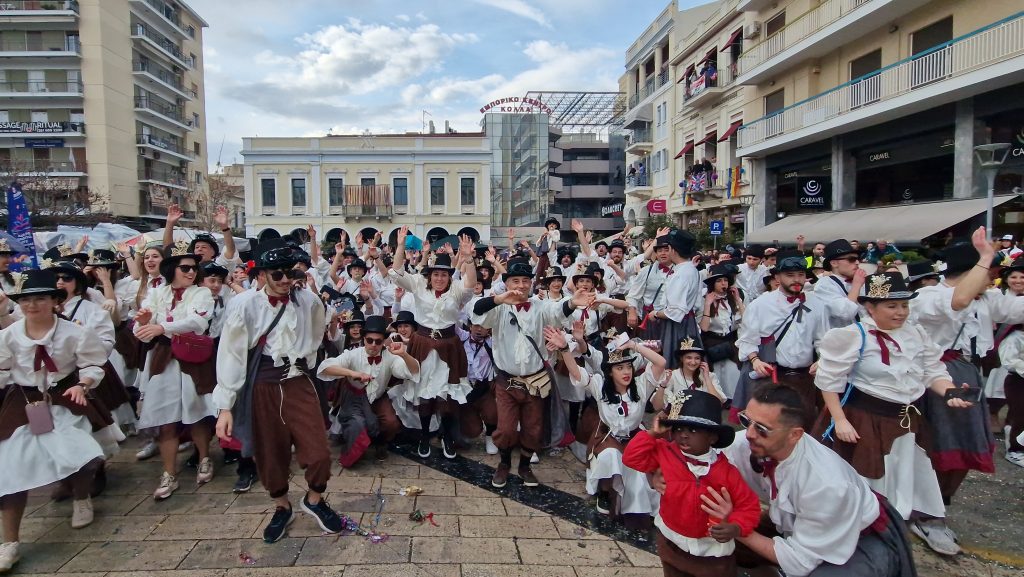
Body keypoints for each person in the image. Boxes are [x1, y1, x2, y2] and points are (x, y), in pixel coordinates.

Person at [813, 272, 974, 546]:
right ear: (870, 307)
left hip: (905, 418)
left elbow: (931, 371)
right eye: (892, 306)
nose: (900, 313)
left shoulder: (916, 333)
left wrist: (950, 391)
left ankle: (906, 521)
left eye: (904, 305)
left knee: (908, 468)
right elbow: (829, 381)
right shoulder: (853, 336)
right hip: (865, 418)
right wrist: (840, 420)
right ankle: (865, 529)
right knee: (869, 476)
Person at [707, 383, 917, 577]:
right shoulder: (745, 444)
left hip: (858, 536)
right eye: (746, 421)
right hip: (799, 519)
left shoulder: (826, 484)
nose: (749, 434)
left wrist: (738, 529)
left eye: (762, 429)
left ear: (794, 435)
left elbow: (800, 561)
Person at [213, 239, 344, 543]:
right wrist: (225, 407)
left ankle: (313, 499)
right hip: (263, 385)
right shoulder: (244, 304)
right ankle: (281, 506)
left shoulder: (309, 301)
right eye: (278, 275)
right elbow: (231, 355)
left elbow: (314, 336)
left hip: (299, 380)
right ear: (263, 275)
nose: (286, 281)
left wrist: (306, 363)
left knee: (319, 451)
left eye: (291, 274)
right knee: (270, 453)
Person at [908, 229, 1024, 554]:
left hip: (969, 374)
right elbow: (956, 301)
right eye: (990, 273)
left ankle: (938, 508)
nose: (994, 280)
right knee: (936, 447)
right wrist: (986, 257)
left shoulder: (986, 299)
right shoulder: (929, 296)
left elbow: (1017, 310)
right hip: (935, 377)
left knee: (967, 447)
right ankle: (926, 515)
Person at [0, 269, 113, 572]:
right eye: (25, 300)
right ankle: (9, 542)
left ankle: (81, 497)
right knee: (10, 469)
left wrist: (83, 383)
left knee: (76, 453)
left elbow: (93, 361)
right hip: (24, 402)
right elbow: (2, 370)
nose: (32, 306)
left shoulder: (74, 332)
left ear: (55, 301)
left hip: (65, 398)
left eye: (39, 299)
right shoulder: (8, 336)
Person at [472, 259, 594, 488]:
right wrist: (500, 299)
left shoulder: (540, 306)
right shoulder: (498, 309)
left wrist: (572, 303)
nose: (520, 285)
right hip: (507, 381)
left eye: (525, 281)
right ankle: (504, 463)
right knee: (506, 428)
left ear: (532, 283)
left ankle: (525, 465)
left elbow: (558, 310)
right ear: (506, 283)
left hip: (536, 380)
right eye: (515, 281)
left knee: (533, 427)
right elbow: (477, 311)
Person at [624, 389, 761, 577]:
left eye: (693, 430)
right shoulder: (665, 452)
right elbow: (631, 458)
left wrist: (735, 527)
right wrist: (652, 434)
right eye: (678, 428)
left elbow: (750, 507)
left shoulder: (727, 472)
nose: (684, 435)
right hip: (671, 543)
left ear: (712, 437)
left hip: (711, 554)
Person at [549, 330, 664, 521]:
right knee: (610, 455)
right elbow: (577, 373)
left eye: (628, 367)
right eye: (619, 368)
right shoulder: (600, 385)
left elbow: (661, 363)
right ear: (610, 372)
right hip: (609, 438)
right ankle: (604, 489)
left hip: (634, 440)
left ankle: (634, 499)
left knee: (639, 482)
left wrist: (634, 346)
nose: (626, 372)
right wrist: (564, 349)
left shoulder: (642, 385)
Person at [133, 241, 217, 500]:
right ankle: (169, 473)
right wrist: (146, 324)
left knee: (197, 413)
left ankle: (204, 457)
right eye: (185, 268)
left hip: (192, 358)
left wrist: (162, 327)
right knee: (165, 419)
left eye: (193, 268)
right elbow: (142, 333)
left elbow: (198, 322)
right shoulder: (157, 293)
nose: (191, 272)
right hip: (164, 359)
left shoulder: (200, 293)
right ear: (171, 269)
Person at [391, 227, 477, 460]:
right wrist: (400, 245)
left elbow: (471, 283)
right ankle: (425, 435)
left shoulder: (457, 290)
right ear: (429, 275)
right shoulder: (418, 284)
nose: (439, 278)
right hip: (423, 343)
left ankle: (447, 435)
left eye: (444, 274)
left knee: (447, 395)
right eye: (436, 274)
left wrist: (468, 259)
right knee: (424, 394)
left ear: (450, 276)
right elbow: (397, 271)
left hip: (449, 345)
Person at [734, 252, 830, 428]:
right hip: (773, 378)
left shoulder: (817, 304)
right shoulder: (761, 305)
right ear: (777, 277)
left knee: (803, 427)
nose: (797, 280)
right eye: (790, 275)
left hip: (805, 378)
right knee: (772, 428)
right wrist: (755, 361)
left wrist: (822, 359)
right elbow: (747, 340)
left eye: (801, 275)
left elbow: (823, 340)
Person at [318, 315, 419, 466]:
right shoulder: (353, 354)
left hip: (378, 397)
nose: (373, 345)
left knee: (391, 422)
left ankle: (380, 442)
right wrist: (354, 374)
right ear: (364, 338)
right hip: (354, 400)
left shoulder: (390, 356)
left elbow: (414, 371)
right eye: (369, 340)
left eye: (378, 341)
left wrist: (404, 354)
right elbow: (324, 368)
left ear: (383, 341)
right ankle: (354, 447)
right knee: (356, 424)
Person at [646, 229, 702, 369]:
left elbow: (675, 312)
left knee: (673, 363)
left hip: (677, 326)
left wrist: (656, 314)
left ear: (672, 249)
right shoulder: (690, 269)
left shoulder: (681, 274)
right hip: (687, 322)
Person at [698, 263, 743, 400]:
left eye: (725, 280)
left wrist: (738, 301)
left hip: (729, 340)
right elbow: (704, 328)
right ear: (713, 283)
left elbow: (746, 321)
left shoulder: (733, 299)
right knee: (715, 370)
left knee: (733, 370)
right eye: (719, 280)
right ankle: (717, 398)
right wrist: (707, 304)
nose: (723, 283)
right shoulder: (704, 298)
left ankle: (731, 398)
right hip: (711, 341)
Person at [653, 338, 727, 406]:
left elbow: (718, 403)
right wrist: (662, 385)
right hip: (678, 418)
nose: (693, 362)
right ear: (681, 358)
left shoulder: (710, 376)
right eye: (689, 358)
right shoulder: (672, 376)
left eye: (697, 358)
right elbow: (657, 406)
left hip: (703, 417)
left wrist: (707, 378)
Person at [815, 239, 867, 329]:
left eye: (858, 259)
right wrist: (856, 285)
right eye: (851, 259)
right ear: (834, 263)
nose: (857, 262)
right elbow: (846, 313)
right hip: (842, 339)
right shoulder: (824, 284)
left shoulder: (860, 281)